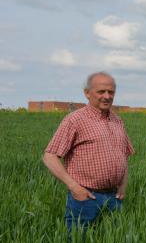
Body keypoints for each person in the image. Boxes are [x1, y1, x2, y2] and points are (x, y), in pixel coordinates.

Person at [43, 71, 134, 233]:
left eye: (111, 92)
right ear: (87, 93)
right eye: (101, 91)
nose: (107, 96)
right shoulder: (75, 120)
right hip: (85, 198)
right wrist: (74, 187)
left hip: (114, 198)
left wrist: (123, 186)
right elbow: (50, 156)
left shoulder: (117, 120)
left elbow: (124, 155)